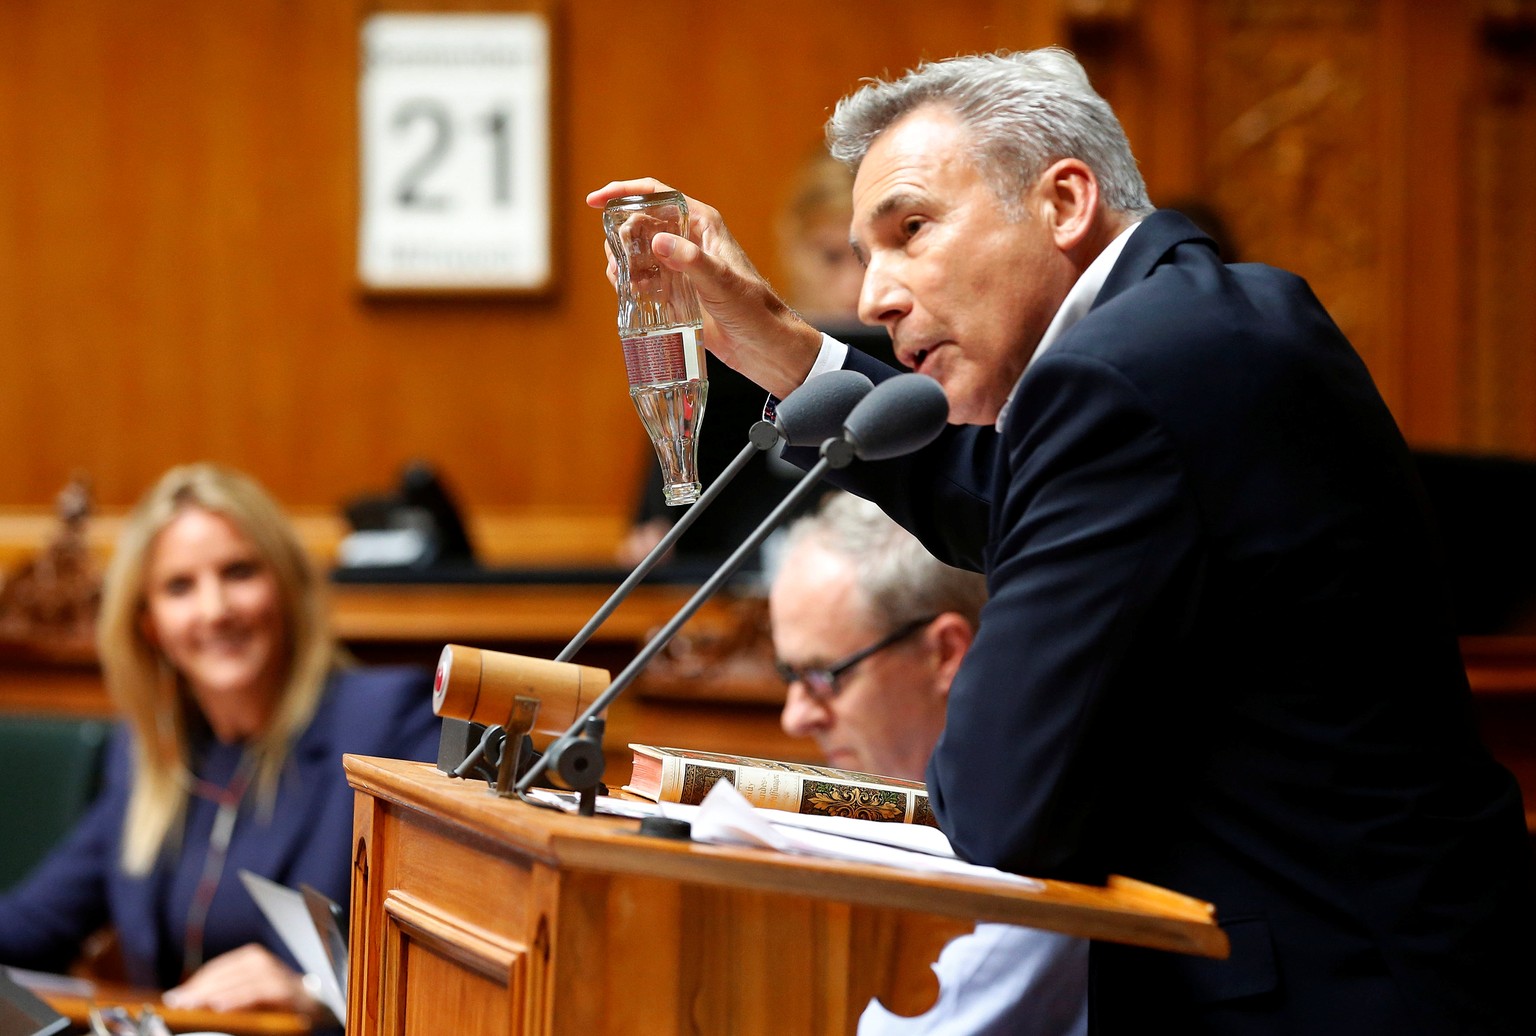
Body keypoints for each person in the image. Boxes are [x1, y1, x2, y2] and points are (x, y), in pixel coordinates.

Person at [588, 47, 1536, 1034]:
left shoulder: (1118, 379)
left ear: (1065, 203)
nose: (874, 296)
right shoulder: (1205, 323)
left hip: (1330, 991)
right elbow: (1007, 499)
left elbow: (1004, 804)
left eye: (912, 231)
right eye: (865, 255)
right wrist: (781, 346)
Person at [0, 463, 440, 1024]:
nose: (214, 610)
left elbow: (458, 952)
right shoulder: (146, 758)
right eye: (179, 587)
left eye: (238, 572)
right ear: (150, 625)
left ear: (285, 588)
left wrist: (324, 991)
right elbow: (30, 927)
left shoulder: (386, 722)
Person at [770, 491, 1086, 1036]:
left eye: (823, 677)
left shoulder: (1030, 835)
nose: (794, 717)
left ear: (943, 653)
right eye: (788, 675)